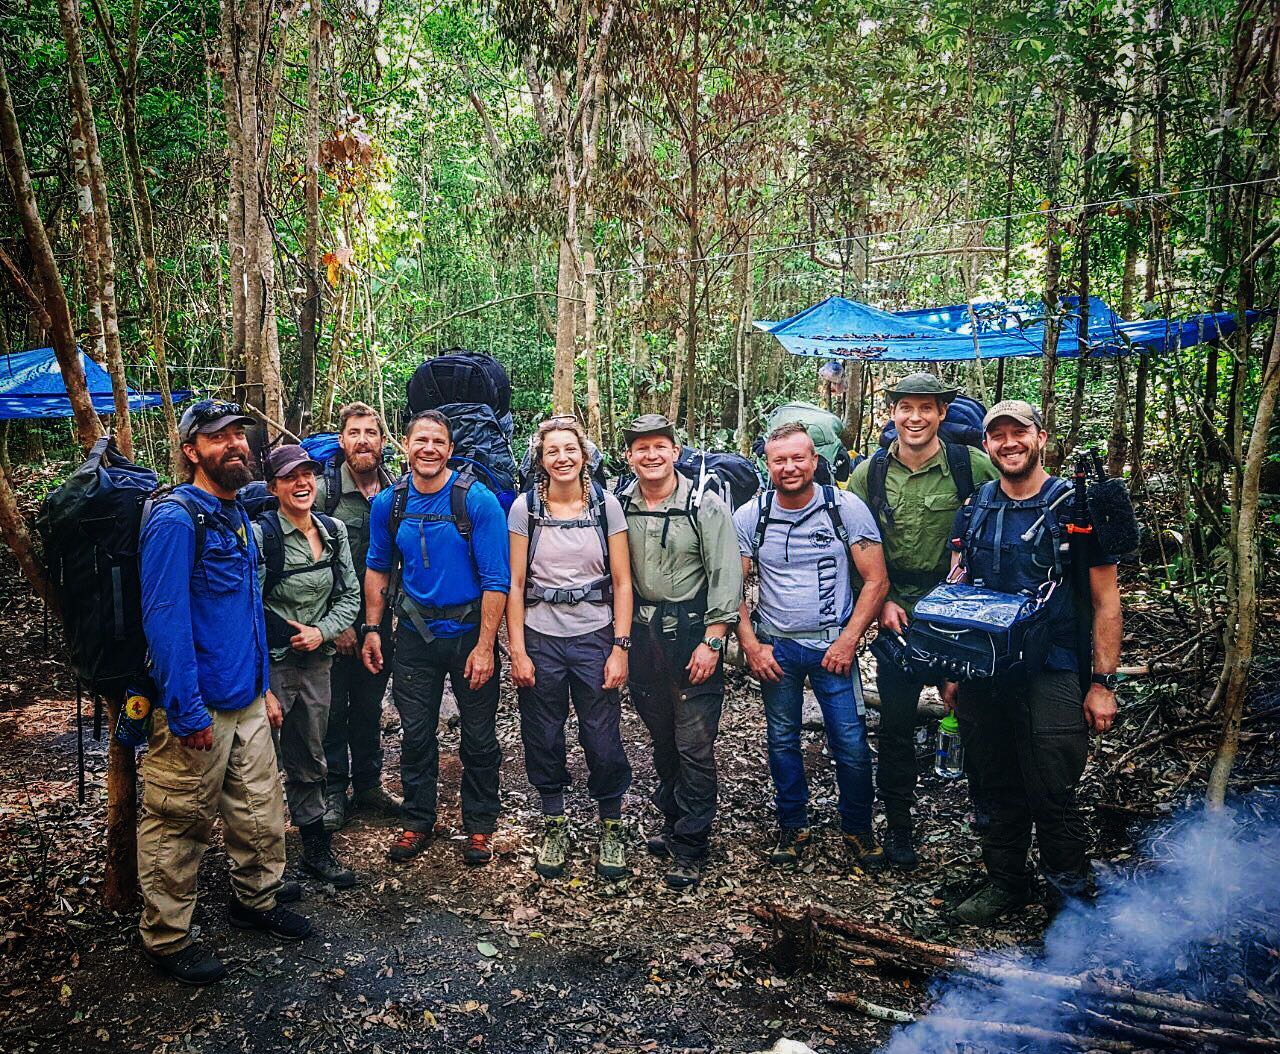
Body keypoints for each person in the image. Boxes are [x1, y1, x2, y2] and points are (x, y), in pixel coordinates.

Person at [138, 400, 311, 986]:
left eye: (240, 435)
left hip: (247, 700)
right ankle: (165, 938)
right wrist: (185, 709)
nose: (236, 445)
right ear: (192, 451)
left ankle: (255, 901)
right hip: (197, 707)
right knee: (178, 821)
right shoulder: (175, 519)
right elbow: (166, 620)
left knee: (259, 809)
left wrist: (264, 688)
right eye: (220, 438)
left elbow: (248, 610)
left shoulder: (236, 514)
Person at [945, 400, 1121, 925]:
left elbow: (1107, 600)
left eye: (1018, 433)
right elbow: (960, 589)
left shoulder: (1076, 508)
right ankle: (1005, 883)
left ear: (1040, 437)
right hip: (985, 669)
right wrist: (954, 670)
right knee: (993, 780)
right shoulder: (975, 507)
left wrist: (1103, 683)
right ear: (986, 444)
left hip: (1054, 666)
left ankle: (1068, 897)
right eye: (996, 436)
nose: (1008, 443)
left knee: (1051, 785)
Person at [848, 373, 999, 868]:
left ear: (941, 413)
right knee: (894, 727)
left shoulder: (970, 466)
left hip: (958, 614)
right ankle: (899, 829)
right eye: (905, 407)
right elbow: (850, 546)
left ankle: (991, 832)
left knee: (976, 722)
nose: (915, 417)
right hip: (897, 615)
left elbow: (994, 538)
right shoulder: (867, 475)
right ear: (891, 413)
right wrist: (878, 601)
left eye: (926, 408)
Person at [735, 422, 890, 869]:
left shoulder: (845, 509)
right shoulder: (753, 515)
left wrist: (848, 640)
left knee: (852, 741)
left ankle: (858, 827)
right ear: (767, 465)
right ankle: (793, 824)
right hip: (777, 646)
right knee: (782, 739)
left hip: (833, 648)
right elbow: (732, 585)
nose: (789, 468)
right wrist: (751, 646)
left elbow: (876, 579)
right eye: (779, 460)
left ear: (815, 461)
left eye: (798, 458)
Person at [361, 409, 511, 866]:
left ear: (450, 450)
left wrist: (486, 646)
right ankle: (418, 819)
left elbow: (496, 580)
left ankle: (480, 825)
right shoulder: (391, 503)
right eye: (420, 440)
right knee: (416, 734)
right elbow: (378, 567)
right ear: (404, 446)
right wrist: (372, 628)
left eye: (438, 442)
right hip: (414, 635)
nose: (429, 449)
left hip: (469, 635)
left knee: (480, 737)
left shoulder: (476, 501)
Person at [618, 414, 743, 890]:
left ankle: (691, 843)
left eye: (659, 446)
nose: (651, 455)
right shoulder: (618, 505)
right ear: (629, 455)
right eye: (640, 447)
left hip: (692, 634)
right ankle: (673, 823)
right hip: (643, 638)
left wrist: (714, 640)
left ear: (675, 451)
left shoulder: (703, 505)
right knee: (664, 738)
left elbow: (725, 574)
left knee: (694, 745)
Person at [508, 417, 634, 880]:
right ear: (540, 461)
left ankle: (612, 824)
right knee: (542, 732)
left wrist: (620, 646)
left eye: (570, 450)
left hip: (596, 634)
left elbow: (623, 582)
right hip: (541, 636)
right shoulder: (525, 509)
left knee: (602, 734)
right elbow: (516, 584)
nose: (562, 458)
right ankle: (554, 821)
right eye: (552, 452)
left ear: (585, 456)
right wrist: (517, 650)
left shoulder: (607, 507)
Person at [254, 444, 361, 888]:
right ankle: (260, 869)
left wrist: (322, 632)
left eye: (308, 475)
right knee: (257, 763)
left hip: (317, 662)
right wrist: (260, 683)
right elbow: (245, 607)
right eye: (290, 477)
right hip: (271, 665)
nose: (302, 483)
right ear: (273, 486)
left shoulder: (333, 530)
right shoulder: (262, 536)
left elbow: (350, 596)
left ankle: (316, 851)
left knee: (309, 754)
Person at [315, 403, 401, 832]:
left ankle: (368, 784)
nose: (363, 440)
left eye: (371, 432)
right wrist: (339, 624)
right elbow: (310, 565)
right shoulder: (321, 493)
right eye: (354, 432)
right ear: (342, 440)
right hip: (333, 623)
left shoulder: (397, 492)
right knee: (332, 708)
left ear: (383, 442)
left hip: (381, 621)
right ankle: (333, 791)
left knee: (369, 704)